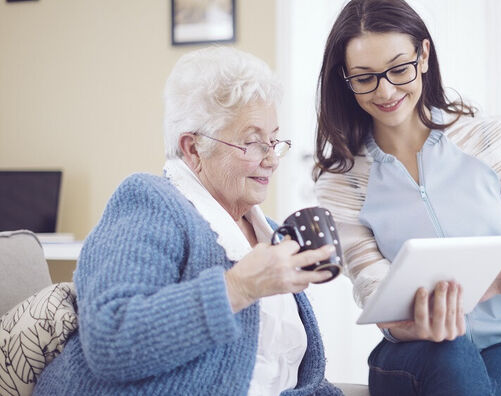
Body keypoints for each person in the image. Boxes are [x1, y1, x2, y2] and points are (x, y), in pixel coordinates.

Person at [34, 47, 342, 396]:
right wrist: (238, 288)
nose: (272, 159)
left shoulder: (264, 230)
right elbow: (111, 339)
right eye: (254, 142)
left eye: (274, 140)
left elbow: (286, 372)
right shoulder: (151, 202)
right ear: (193, 148)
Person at [314, 0, 501, 395]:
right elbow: (373, 288)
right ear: (345, 78)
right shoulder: (341, 183)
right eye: (365, 78)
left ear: (424, 55)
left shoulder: (489, 137)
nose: (386, 91)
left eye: (399, 69)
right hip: (414, 350)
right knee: (449, 352)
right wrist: (410, 324)